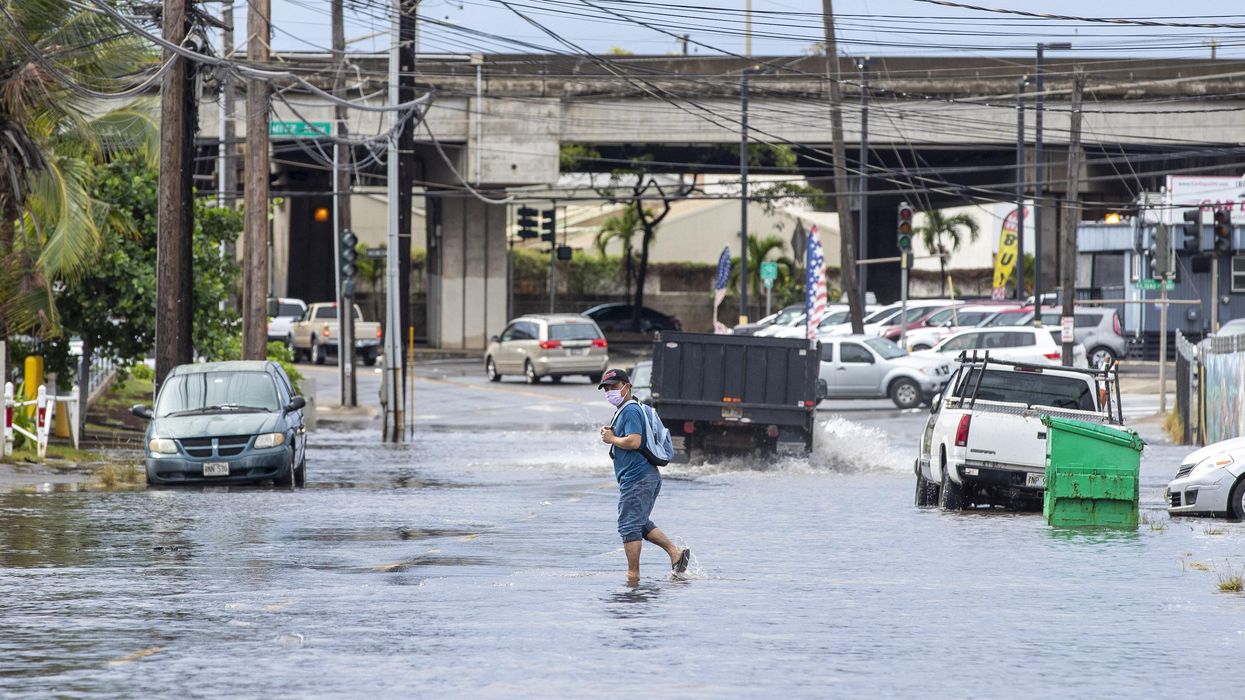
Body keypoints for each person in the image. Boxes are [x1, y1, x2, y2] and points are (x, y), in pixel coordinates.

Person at [598, 368, 690, 581]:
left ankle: (633, 576)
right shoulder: (629, 409)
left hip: (638, 478)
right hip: (644, 476)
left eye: (614, 387)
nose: (610, 392)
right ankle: (675, 553)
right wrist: (611, 434)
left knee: (628, 525)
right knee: (638, 521)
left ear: (627, 387)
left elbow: (634, 441)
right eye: (606, 389)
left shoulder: (630, 410)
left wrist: (612, 439)